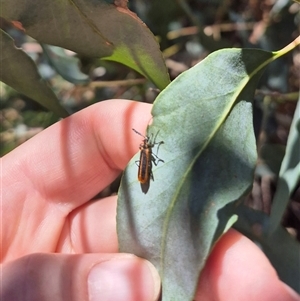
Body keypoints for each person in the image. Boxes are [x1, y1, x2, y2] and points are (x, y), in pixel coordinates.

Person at [2, 99, 299, 301]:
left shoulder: (146, 152)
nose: (145, 144)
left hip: (145, 174)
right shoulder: (144, 153)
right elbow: (149, 156)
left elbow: (150, 155)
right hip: (145, 174)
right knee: (146, 169)